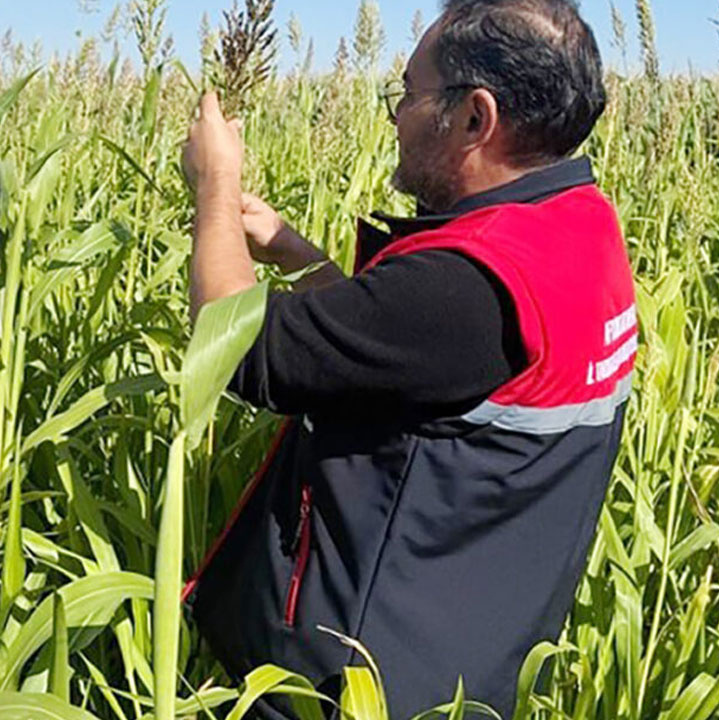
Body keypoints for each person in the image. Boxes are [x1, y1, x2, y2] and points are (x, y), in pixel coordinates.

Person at [179, 0, 633, 717]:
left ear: (475, 119)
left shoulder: (466, 290)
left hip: (356, 686)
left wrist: (215, 187)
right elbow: (408, 360)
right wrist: (294, 252)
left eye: (410, 94)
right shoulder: (576, 229)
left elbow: (232, 347)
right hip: (463, 654)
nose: (396, 116)